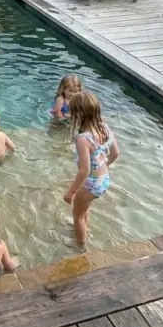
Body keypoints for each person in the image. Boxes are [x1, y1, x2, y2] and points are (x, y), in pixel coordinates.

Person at [64, 91, 119, 246]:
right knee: (84, 207)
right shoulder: (105, 128)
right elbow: (116, 153)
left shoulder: (83, 139)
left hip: (92, 183)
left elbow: (84, 170)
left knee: (77, 215)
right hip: (104, 180)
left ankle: (80, 244)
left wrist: (71, 192)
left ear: (79, 114)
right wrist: (104, 167)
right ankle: (85, 228)